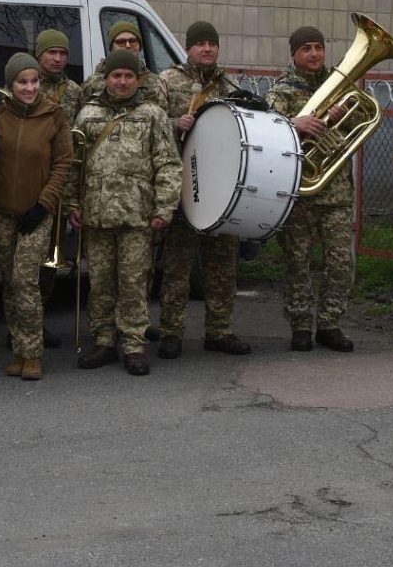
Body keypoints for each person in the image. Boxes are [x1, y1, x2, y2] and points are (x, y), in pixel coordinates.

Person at [69, 50, 181, 375]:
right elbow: (74, 166)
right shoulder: (87, 115)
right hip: (97, 215)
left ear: (138, 80)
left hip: (138, 216)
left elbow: (168, 164)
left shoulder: (152, 115)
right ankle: (103, 340)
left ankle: (133, 343)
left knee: (133, 281)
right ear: (106, 79)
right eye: (116, 76)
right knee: (100, 282)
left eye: (128, 76)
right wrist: (73, 203)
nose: (121, 81)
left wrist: (165, 206)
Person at [156, 21, 252, 358]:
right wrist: (174, 123)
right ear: (189, 48)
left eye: (212, 43)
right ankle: (171, 333)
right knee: (178, 266)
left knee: (222, 266)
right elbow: (150, 123)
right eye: (200, 44)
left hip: (222, 191)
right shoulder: (167, 82)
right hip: (183, 186)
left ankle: (220, 332)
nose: (207, 49)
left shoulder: (230, 86)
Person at [265, 26, 356, 352]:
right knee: (297, 262)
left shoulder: (341, 87)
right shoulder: (281, 90)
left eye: (319, 47)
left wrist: (342, 116)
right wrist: (294, 124)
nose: (315, 54)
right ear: (294, 54)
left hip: (336, 191)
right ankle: (301, 325)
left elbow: (357, 126)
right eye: (307, 49)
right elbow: (265, 132)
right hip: (298, 191)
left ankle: (330, 323)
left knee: (341, 262)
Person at [0, 52, 73, 380]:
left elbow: (63, 163)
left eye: (34, 81)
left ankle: (33, 353)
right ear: (11, 84)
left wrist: (43, 204)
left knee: (26, 281)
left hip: (37, 213)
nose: (29, 88)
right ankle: (18, 349)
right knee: (10, 283)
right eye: (22, 82)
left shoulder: (55, 116)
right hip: (2, 213)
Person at [80, 20, 168, 111]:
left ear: (140, 45)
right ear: (111, 47)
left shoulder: (154, 82)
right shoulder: (93, 82)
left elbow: (164, 117)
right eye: (121, 42)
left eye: (133, 41)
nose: (128, 45)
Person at [35, 29, 83, 123]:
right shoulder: (24, 85)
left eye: (63, 53)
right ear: (39, 55)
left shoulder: (74, 90)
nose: (58, 59)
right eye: (52, 52)